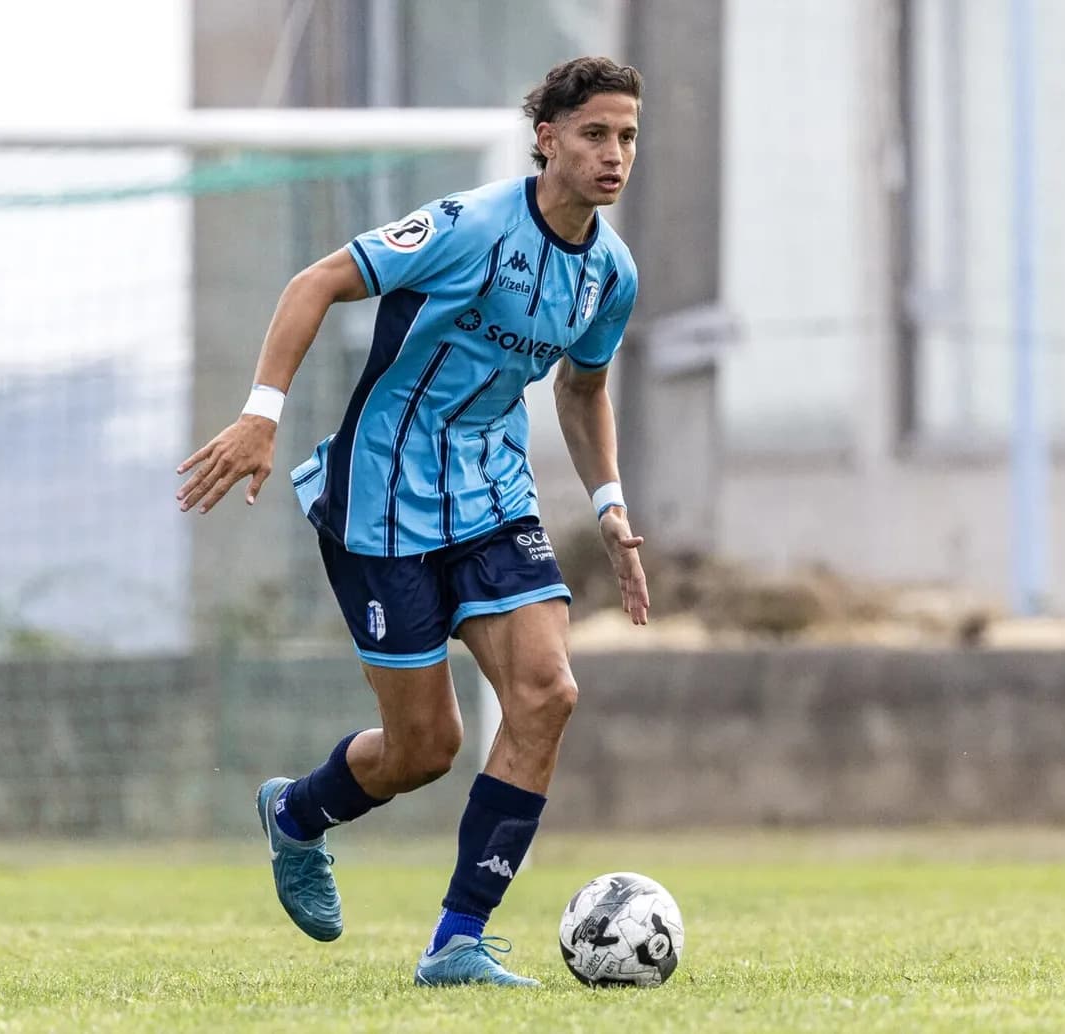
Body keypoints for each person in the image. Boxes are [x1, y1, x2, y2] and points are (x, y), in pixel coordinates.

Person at [176, 55, 649, 988]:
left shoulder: (611, 274)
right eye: (595, 133)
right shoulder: (470, 224)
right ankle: (297, 814)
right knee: (425, 749)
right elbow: (315, 282)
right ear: (547, 138)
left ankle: (457, 941)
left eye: (628, 136)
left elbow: (583, 387)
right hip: (380, 499)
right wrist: (261, 413)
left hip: (494, 494)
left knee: (548, 694)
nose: (614, 154)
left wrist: (610, 505)